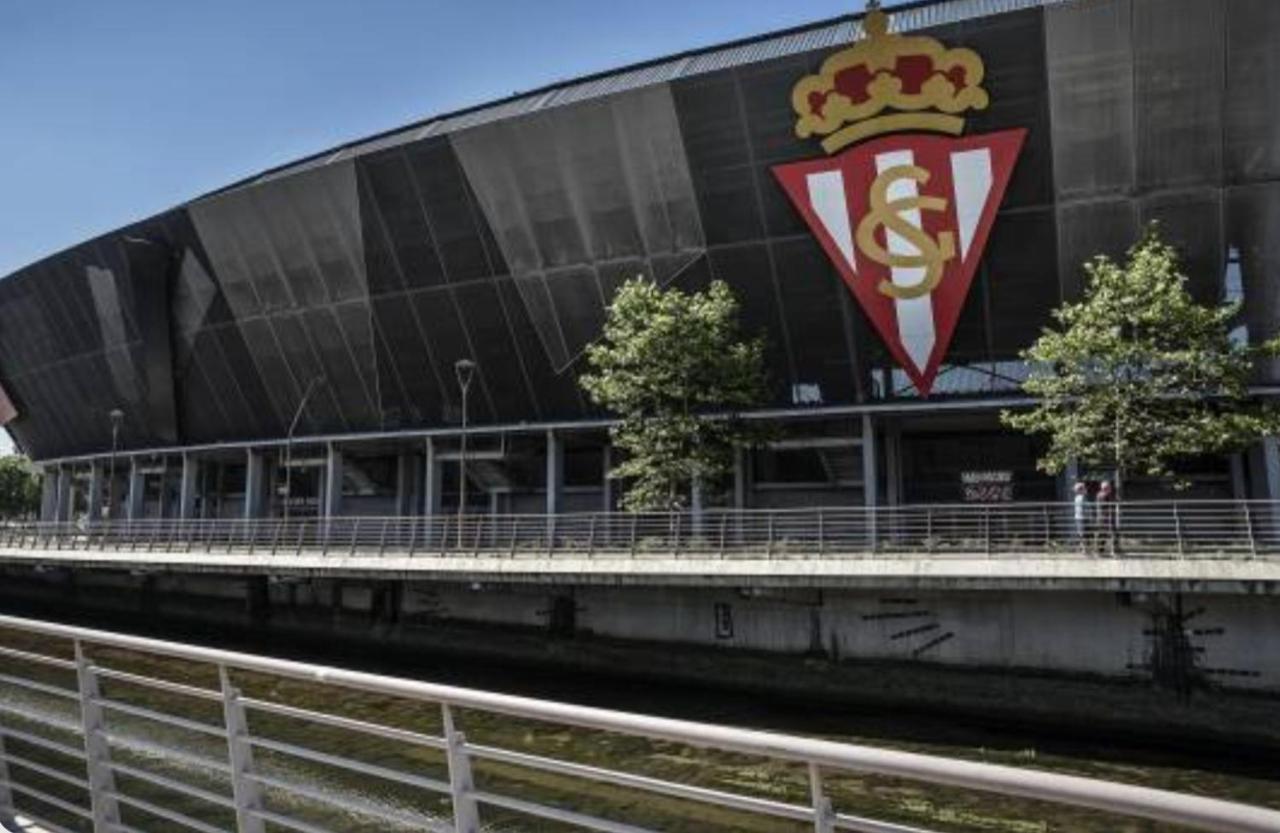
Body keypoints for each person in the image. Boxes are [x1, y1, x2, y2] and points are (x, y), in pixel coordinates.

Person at [1095, 480, 1117, 556]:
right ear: (1106, 488)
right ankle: (1113, 551)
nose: (1110, 489)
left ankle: (1099, 551)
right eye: (1109, 487)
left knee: (1102, 535)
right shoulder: (1105, 496)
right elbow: (1109, 507)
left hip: (1101, 518)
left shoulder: (1099, 495)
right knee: (1112, 534)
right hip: (1107, 518)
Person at [1072, 481, 1089, 548]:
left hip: (1079, 518)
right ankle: (1084, 548)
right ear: (1081, 490)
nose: (1086, 489)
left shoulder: (1077, 497)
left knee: (1082, 534)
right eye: (1084, 488)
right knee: (1083, 534)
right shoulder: (1081, 498)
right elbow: (1084, 509)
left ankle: (1083, 548)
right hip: (1082, 518)